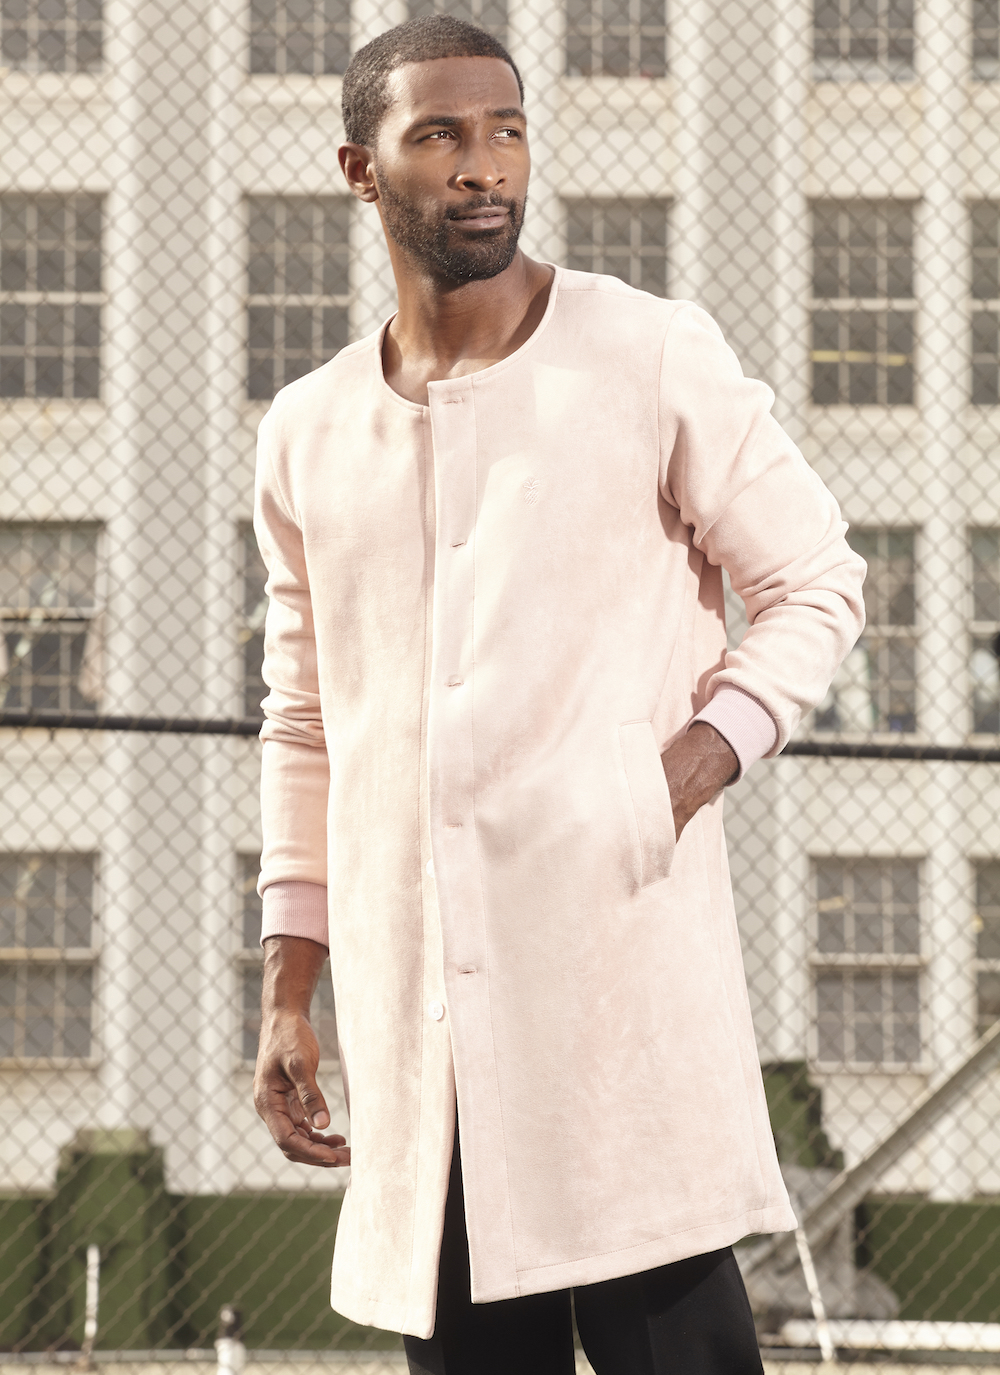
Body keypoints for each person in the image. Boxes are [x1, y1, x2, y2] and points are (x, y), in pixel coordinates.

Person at [251, 16, 866, 1374]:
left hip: (613, 980)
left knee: (674, 1336)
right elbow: (303, 718)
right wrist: (291, 986)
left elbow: (817, 581)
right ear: (361, 169)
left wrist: (688, 768)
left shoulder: (645, 352)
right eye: (440, 136)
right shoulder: (306, 429)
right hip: (420, 1016)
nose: (484, 166)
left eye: (507, 131)